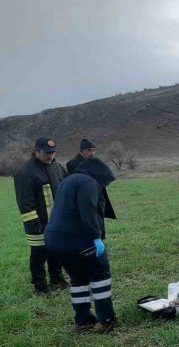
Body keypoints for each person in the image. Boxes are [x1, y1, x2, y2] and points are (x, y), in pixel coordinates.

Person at [45, 158, 117, 330]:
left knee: (78, 279)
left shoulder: (68, 180)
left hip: (54, 240)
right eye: (105, 182)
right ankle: (106, 320)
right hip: (77, 239)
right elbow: (89, 211)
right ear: (99, 175)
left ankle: (83, 321)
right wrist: (96, 237)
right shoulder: (89, 182)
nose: (104, 185)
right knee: (100, 274)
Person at [14, 137, 68, 295]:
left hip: (57, 222)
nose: (50, 156)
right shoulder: (25, 172)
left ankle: (57, 280)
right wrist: (35, 224)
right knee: (39, 255)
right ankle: (40, 288)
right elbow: (25, 202)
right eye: (46, 153)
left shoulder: (57, 167)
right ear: (36, 151)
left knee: (56, 251)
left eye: (52, 152)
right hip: (37, 224)